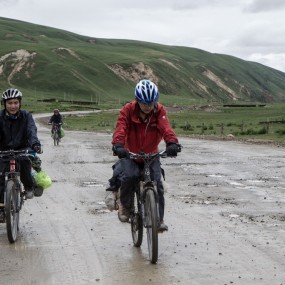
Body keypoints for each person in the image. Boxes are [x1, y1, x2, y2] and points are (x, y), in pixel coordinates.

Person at [106, 79, 181, 232]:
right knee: (129, 176)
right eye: (144, 103)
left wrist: (172, 143)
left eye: (151, 103)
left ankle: (159, 220)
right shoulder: (127, 110)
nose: (148, 107)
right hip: (130, 153)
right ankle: (125, 207)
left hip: (151, 154)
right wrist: (118, 145)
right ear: (137, 100)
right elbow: (121, 128)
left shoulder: (159, 111)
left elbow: (166, 128)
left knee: (158, 183)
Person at [0, 88, 42, 222]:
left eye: (15, 103)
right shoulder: (0, 117)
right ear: (4, 104)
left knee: (24, 163)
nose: (13, 106)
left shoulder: (26, 116)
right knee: (0, 176)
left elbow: (31, 131)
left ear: (20, 103)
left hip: (22, 149)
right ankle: (1, 208)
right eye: (10, 103)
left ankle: (29, 185)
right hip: (3, 150)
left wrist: (35, 144)